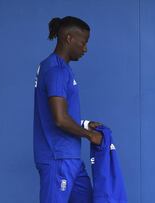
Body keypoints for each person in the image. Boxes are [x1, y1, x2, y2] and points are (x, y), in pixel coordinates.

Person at [33, 16, 103, 203]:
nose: (85, 49)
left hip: (70, 158)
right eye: (84, 42)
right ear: (69, 38)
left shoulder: (58, 68)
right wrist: (90, 136)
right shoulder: (56, 70)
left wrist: (85, 125)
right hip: (58, 158)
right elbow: (60, 119)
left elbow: (59, 114)